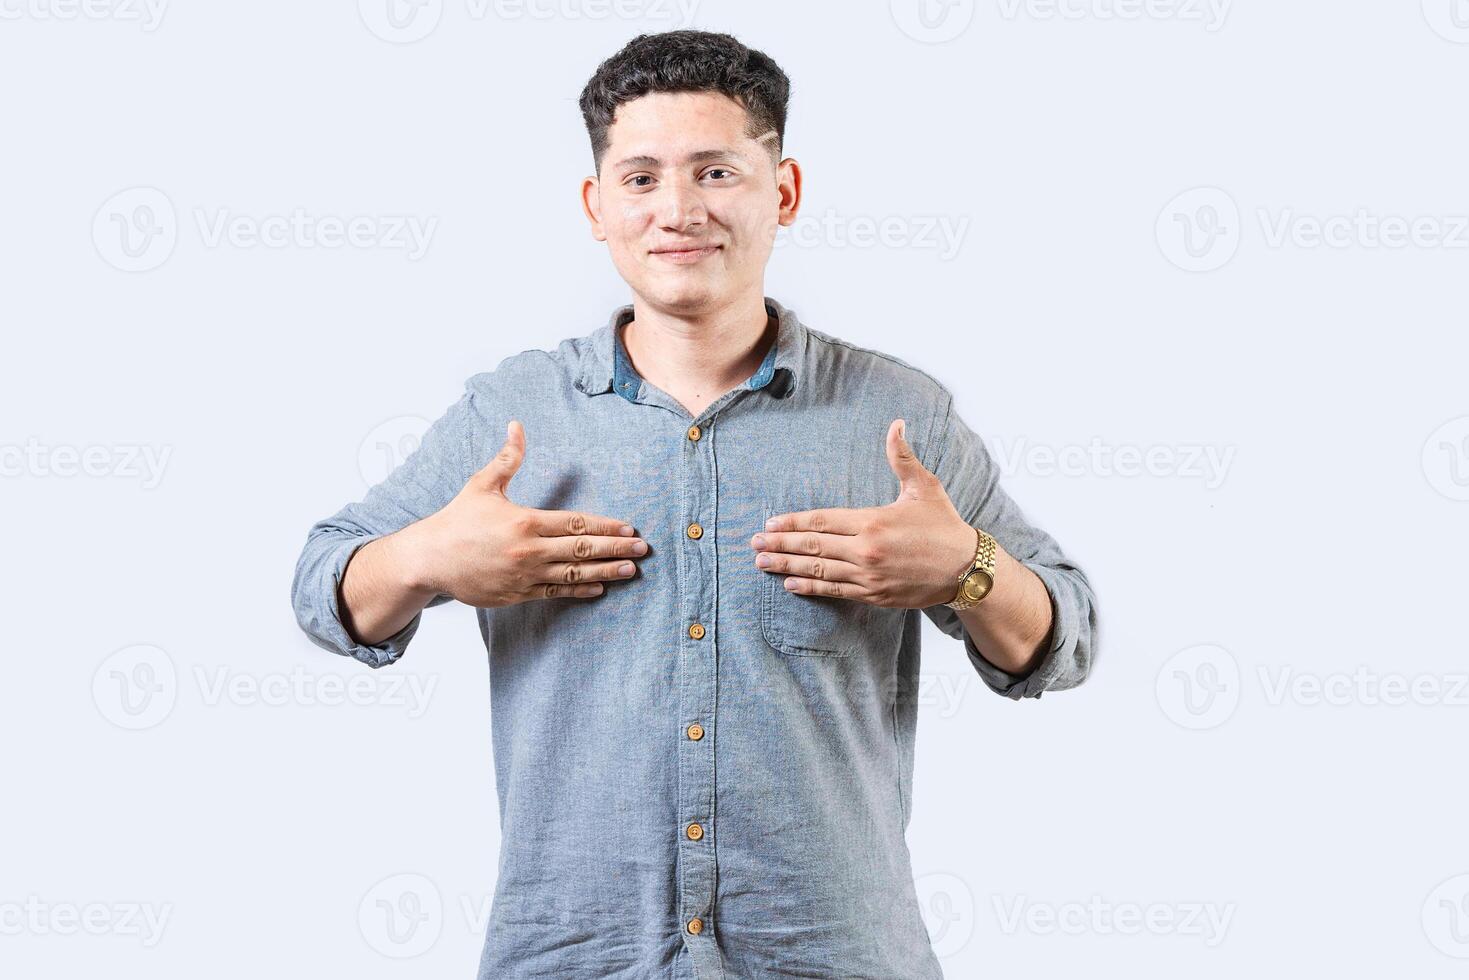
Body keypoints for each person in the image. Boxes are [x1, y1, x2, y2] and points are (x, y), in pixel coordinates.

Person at [291, 28, 1098, 980]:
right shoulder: (515, 413)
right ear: (596, 206)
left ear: (782, 192)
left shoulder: (896, 416)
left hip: (830, 958)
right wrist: (425, 557)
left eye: (716, 172)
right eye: (640, 179)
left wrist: (966, 568)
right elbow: (325, 589)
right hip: (575, 957)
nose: (677, 210)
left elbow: (1063, 639)